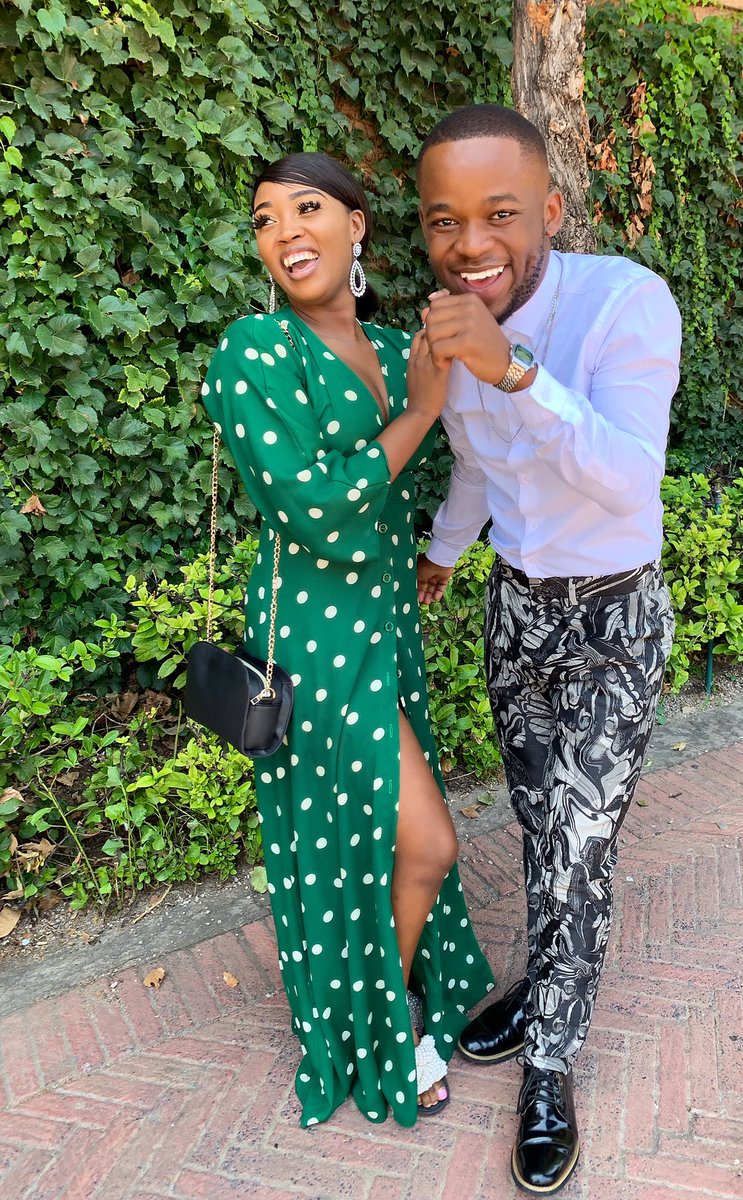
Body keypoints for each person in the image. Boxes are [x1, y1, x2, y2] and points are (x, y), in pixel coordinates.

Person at [415, 106, 680, 1194]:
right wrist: (442, 555)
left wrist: (517, 370)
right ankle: (542, 984)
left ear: (551, 212)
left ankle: (552, 1064)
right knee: (540, 825)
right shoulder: (450, 327)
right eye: (444, 221)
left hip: (614, 620)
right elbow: (478, 466)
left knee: (581, 844)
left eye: (499, 215)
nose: (471, 244)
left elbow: (627, 475)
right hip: (518, 613)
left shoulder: (626, 302)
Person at [200, 151, 493, 1129]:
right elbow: (318, 506)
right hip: (311, 633)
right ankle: (381, 1019)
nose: (285, 232)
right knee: (424, 840)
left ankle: (386, 992)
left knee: (378, 832)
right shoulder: (255, 352)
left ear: (357, 225)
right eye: (265, 219)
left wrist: (445, 549)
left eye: (307, 208)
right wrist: (422, 410)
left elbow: (487, 442)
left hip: (385, 619)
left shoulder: (400, 345)